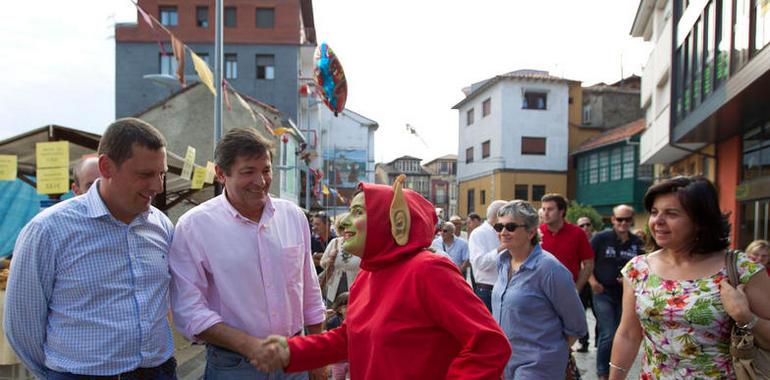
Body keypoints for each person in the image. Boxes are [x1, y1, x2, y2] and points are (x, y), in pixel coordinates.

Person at [257, 176, 512, 379]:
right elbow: (349, 337)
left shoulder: (428, 270)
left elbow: (488, 344)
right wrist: (291, 350)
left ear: (391, 221)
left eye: (358, 212)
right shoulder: (368, 272)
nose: (343, 222)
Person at [4, 118, 177, 379]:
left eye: (161, 173)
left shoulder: (161, 225)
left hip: (157, 372)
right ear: (107, 167)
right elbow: (22, 325)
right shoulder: (48, 230)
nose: (158, 186)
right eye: (145, 175)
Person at [168, 128, 326, 380]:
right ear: (221, 173)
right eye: (248, 172)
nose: (261, 181)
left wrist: (318, 356)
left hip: (295, 360)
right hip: (234, 366)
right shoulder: (194, 226)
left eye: (266, 170)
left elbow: (309, 290)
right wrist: (250, 346)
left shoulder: (293, 216)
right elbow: (188, 309)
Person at [610, 176, 770, 379]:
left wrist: (745, 317)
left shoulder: (742, 268)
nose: (657, 221)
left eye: (671, 213)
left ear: (700, 221)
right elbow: (628, 335)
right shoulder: (638, 269)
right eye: (654, 212)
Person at [491, 200, 587, 378]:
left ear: (531, 232)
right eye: (499, 226)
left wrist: (551, 353)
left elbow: (577, 323)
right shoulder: (502, 262)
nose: (503, 232)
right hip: (506, 364)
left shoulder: (549, 268)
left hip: (539, 367)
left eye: (511, 226)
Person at [588, 205, 644, 380]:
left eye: (627, 219)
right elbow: (587, 261)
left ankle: (616, 368)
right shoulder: (601, 238)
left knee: (623, 333)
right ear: (613, 220)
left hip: (626, 295)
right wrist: (592, 282)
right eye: (620, 219)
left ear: (632, 220)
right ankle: (603, 372)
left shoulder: (637, 242)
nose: (623, 223)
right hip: (603, 291)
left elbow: (644, 267)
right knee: (609, 331)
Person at [468, 200, 508, 311]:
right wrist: (502, 247)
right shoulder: (479, 233)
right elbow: (481, 263)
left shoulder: (506, 232)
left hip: (506, 290)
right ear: (499, 215)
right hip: (487, 291)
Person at [319, 214, 361, 305]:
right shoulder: (335, 242)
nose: (346, 230)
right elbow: (322, 263)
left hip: (354, 288)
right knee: (333, 315)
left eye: (349, 226)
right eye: (342, 227)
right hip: (333, 289)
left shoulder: (360, 244)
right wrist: (330, 259)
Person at [576, 215, 595, 353]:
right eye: (581, 225)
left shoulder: (597, 240)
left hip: (596, 284)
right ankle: (584, 341)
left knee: (599, 314)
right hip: (582, 282)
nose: (585, 228)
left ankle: (600, 340)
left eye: (587, 224)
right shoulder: (577, 240)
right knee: (580, 313)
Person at [325, 292, 349, 380]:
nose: (350, 308)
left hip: (353, 359)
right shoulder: (333, 322)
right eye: (346, 306)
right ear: (339, 309)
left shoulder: (358, 320)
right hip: (338, 361)